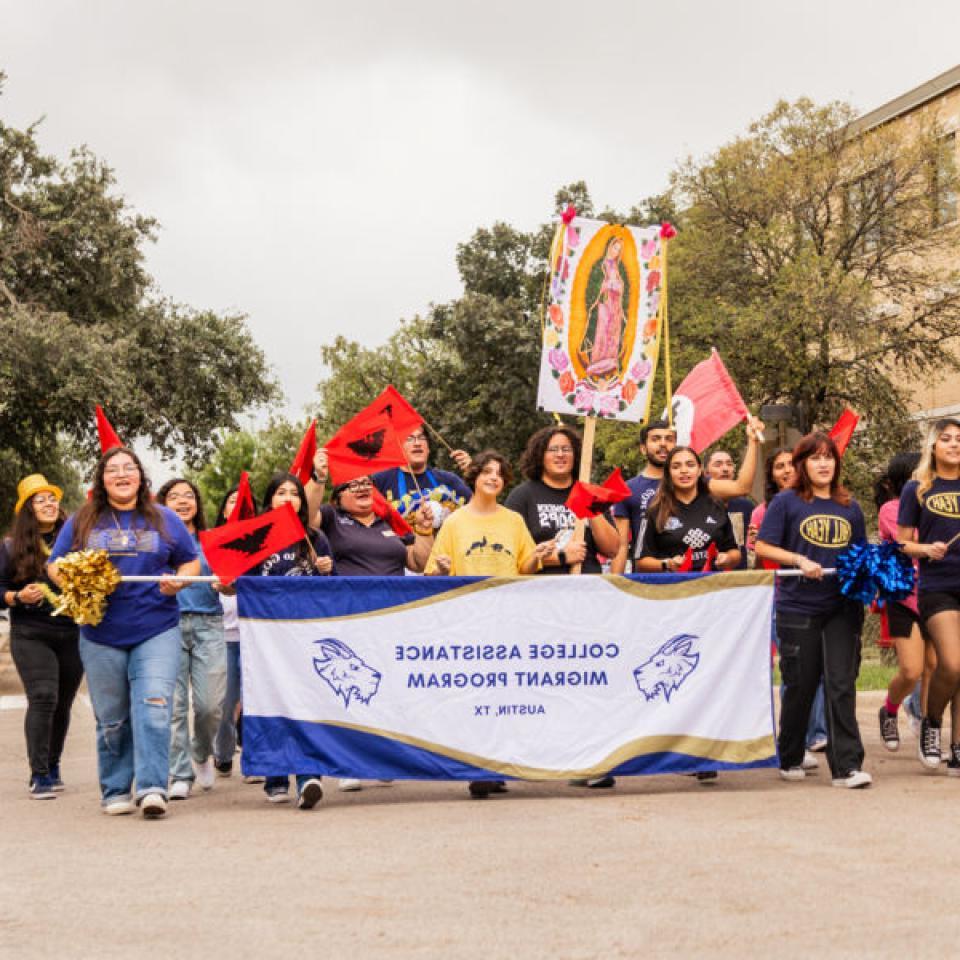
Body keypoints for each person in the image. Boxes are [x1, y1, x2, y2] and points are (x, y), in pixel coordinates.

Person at [48, 447, 200, 818]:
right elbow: (55, 567)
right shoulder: (84, 519)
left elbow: (190, 562)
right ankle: (116, 788)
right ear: (101, 479)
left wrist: (178, 583)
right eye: (112, 469)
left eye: (128, 468)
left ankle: (151, 788)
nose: (121, 474)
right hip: (101, 633)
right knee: (112, 716)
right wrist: (77, 581)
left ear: (139, 476)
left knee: (153, 708)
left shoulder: (164, 518)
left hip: (157, 628)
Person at [426, 450, 552, 799]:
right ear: (474, 478)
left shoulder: (512, 520)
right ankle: (477, 766)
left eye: (499, 473)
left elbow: (525, 566)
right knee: (474, 694)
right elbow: (435, 572)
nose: (493, 478)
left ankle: (497, 765)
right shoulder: (455, 522)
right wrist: (439, 566)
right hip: (469, 618)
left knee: (505, 693)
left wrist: (537, 556)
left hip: (508, 617)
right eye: (487, 473)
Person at [756, 432, 872, 789]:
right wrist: (799, 559)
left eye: (829, 457)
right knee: (800, 684)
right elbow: (763, 545)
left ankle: (846, 766)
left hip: (842, 607)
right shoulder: (786, 503)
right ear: (802, 464)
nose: (823, 463)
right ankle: (790, 753)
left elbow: (860, 554)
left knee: (840, 683)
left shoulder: (849, 506)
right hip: (798, 606)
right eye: (815, 457)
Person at [316, 474, 435, 791]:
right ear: (337, 497)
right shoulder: (331, 519)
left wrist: (424, 529)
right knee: (352, 692)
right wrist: (318, 476)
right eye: (351, 485)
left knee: (388, 691)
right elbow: (307, 514)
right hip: (349, 617)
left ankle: (384, 758)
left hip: (391, 619)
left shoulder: (390, 522)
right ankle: (350, 763)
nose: (361, 489)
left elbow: (419, 562)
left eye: (366, 483)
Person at [254, 472, 335, 808]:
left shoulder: (315, 538)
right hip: (265, 634)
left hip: (305, 633)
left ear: (302, 502)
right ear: (269, 500)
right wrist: (225, 585)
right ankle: (275, 774)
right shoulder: (255, 538)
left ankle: (308, 775)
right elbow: (236, 583)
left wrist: (328, 570)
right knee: (271, 700)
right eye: (280, 492)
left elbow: (333, 590)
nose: (288, 498)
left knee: (306, 701)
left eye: (294, 493)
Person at [0, 475, 83, 799]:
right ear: (28, 510)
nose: (49, 504)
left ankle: (52, 763)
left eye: (52, 498)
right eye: (40, 500)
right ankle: (39, 775)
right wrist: (17, 597)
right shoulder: (10, 547)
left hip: (72, 631)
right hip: (31, 633)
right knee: (44, 697)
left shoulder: (76, 543)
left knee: (62, 703)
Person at [750, 448, 828, 756]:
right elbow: (760, 557)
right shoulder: (764, 510)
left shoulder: (820, 505)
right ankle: (794, 738)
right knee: (794, 669)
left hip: (816, 596)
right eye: (778, 466)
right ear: (771, 475)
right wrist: (760, 544)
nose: (786, 471)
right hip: (780, 594)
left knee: (818, 666)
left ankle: (817, 731)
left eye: (790, 465)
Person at [612, 417, 764, 574]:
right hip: (662, 586)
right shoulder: (628, 490)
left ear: (699, 470)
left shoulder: (705, 487)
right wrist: (613, 587)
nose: (663, 443)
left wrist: (752, 442)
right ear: (643, 448)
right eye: (656, 439)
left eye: (669, 439)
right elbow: (620, 546)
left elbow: (742, 487)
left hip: (709, 586)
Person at [156, 478, 226, 800]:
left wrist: (226, 585)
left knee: (210, 705)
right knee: (175, 706)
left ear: (197, 504)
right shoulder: (155, 541)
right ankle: (179, 773)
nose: (183, 501)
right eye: (174, 496)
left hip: (209, 624)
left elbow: (232, 585)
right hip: (166, 625)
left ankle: (200, 752)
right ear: (162, 503)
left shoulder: (214, 541)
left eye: (189, 496)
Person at [897, 418, 960, 773]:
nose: (954, 444)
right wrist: (925, 549)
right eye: (946, 439)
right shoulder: (917, 488)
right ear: (933, 446)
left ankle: (958, 746)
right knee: (952, 663)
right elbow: (901, 543)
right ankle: (931, 722)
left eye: (959, 439)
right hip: (938, 586)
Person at [504, 425, 620, 575]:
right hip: (540, 591)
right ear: (540, 456)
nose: (560, 455)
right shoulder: (522, 496)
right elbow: (510, 554)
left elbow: (612, 550)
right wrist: (561, 556)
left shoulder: (591, 493)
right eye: (552, 449)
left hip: (587, 590)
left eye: (566, 449)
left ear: (576, 455)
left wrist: (591, 506)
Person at [875, 452, 928, 752]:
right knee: (911, 670)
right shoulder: (890, 510)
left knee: (936, 668)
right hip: (903, 597)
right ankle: (891, 708)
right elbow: (912, 544)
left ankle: (927, 730)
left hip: (938, 594)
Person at [211, 484, 258, 779]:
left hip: (255, 634)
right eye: (231, 502)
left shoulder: (260, 544)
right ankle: (224, 752)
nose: (237, 506)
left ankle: (254, 760)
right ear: (224, 510)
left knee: (255, 700)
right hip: (222, 636)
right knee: (225, 703)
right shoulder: (211, 543)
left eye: (243, 503)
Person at [635, 447, 741, 574]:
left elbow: (734, 552)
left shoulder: (717, 505)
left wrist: (728, 558)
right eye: (676, 466)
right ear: (668, 473)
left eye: (690, 465)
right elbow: (641, 562)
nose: (684, 471)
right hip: (673, 588)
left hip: (713, 587)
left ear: (699, 470)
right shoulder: (654, 511)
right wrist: (667, 564)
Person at [351, 425, 472, 531]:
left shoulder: (448, 480)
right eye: (409, 438)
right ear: (399, 448)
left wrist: (474, 474)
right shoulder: (380, 480)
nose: (417, 443)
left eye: (421, 438)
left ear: (428, 449)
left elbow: (480, 508)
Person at [703, 449, 753, 571]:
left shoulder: (746, 506)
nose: (725, 469)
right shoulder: (698, 506)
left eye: (729, 464)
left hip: (740, 577)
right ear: (705, 473)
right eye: (718, 464)